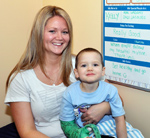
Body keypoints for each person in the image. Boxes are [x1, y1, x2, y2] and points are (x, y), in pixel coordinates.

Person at [1, 6, 111, 138]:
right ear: (38, 34)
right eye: (52, 31)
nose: (59, 37)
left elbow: (117, 99)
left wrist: (104, 107)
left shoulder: (81, 64)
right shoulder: (21, 78)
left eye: (65, 32)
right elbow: (27, 132)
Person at [59, 48, 144, 138]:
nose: (90, 68)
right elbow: (67, 124)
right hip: (87, 131)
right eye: (84, 65)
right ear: (76, 73)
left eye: (95, 65)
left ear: (103, 71)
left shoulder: (111, 90)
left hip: (112, 127)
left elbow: (120, 119)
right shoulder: (69, 93)